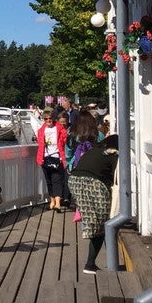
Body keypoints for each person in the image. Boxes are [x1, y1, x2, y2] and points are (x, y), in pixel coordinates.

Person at [69, 133, 119, 274]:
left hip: (74, 180)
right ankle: (90, 264)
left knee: (94, 220)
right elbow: (116, 176)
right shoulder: (112, 155)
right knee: (102, 223)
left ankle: (91, 261)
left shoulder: (94, 151)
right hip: (93, 183)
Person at [37, 107, 70, 212]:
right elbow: (40, 144)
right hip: (45, 158)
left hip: (57, 157)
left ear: (53, 118)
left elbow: (65, 142)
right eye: (45, 119)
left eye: (50, 118)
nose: (48, 121)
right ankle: (52, 201)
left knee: (57, 180)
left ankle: (57, 204)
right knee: (49, 181)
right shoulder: (41, 130)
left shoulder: (60, 129)